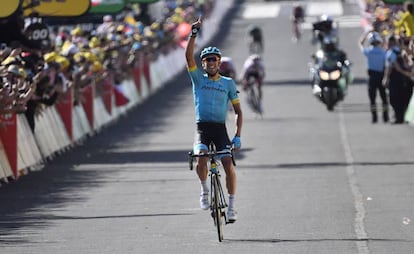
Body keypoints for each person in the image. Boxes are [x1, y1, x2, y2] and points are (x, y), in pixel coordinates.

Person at [185, 17, 243, 223]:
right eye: (207, 60)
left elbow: (238, 111)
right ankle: (203, 190)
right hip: (202, 127)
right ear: (203, 63)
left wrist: (237, 136)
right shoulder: (198, 79)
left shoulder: (228, 83)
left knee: (228, 164)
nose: (210, 63)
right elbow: (188, 57)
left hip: (220, 129)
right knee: (201, 156)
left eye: (214, 59)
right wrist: (193, 33)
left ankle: (232, 206)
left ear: (219, 62)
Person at [359, 31, 389, 123]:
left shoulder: (368, 51)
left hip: (371, 77)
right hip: (381, 76)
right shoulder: (383, 52)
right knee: (384, 98)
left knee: (372, 99)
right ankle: (385, 117)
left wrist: (365, 33)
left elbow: (360, 43)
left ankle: (374, 118)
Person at [383, 36, 412, 124]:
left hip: (395, 79)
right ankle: (403, 117)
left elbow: (389, 67)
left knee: (394, 99)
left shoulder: (390, 53)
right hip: (406, 79)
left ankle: (398, 117)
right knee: (404, 98)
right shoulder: (403, 51)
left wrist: (385, 78)